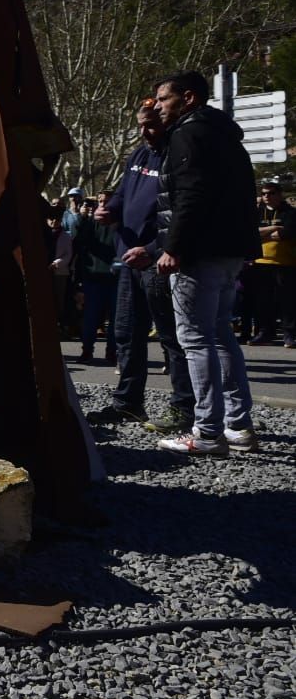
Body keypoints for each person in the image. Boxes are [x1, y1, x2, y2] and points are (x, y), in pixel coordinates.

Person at [134, 71, 259, 456]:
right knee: (221, 335)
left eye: (163, 99)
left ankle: (206, 432)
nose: (157, 106)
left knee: (196, 339)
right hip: (228, 250)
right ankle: (237, 424)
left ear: (188, 99)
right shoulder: (222, 135)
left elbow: (189, 195)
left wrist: (173, 247)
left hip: (198, 253)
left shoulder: (189, 134)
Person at [91, 104, 194, 429]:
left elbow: (181, 212)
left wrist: (153, 249)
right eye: (140, 125)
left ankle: (184, 407)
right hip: (127, 259)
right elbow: (123, 195)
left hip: (157, 261)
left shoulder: (175, 157)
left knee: (170, 337)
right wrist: (110, 211)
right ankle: (128, 403)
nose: (144, 132)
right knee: (126, 333)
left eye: (150, 125)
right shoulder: (138, 156)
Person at [246, 181, 296, 347]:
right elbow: (250, 232)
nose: (267, 196)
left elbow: (286, 233)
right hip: (260, 262)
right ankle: (265, 332)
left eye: (271, 193)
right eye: (264, 193)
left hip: (284, 262)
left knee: (286, 301)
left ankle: (289, 334)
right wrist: (274, 227)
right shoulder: (257, 212)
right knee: (263, 300)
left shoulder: (290, 213)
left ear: (279, 194)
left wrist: (263, 233)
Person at [73, 193, 119, 365]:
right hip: (93, 277)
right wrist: (83, 218)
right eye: (100, 202)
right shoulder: (90, 223)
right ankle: (86, 350)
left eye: (106, 202)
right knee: (90, 318)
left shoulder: (121, 222)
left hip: (115, 277)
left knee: (116, 319)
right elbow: (79, 247)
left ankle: (112, 352)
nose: (102, 205)